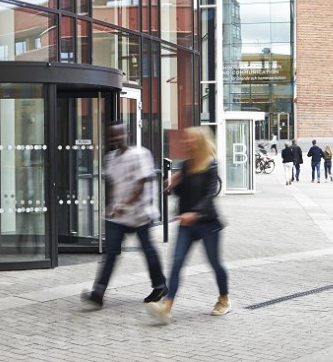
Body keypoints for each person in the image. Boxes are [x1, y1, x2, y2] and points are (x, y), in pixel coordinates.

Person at [147, 126, 229, 323]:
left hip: (208, 223)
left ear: (199, 142)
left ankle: (224, 299)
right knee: (176, 262)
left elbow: (210, 195)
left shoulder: (211, 166)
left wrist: (195, 213)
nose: (185, 142)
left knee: (215, 263)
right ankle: (167, 306)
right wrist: (172, 184)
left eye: (189, 139)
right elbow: (181, 194)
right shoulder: (186, 165)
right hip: (186, 224)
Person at [82, 123, 166, 307]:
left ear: (126, 133)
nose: (115, 139)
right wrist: (113, 206)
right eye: (112, 135)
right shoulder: (110, 159)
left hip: (139, 213)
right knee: (111, 252)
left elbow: (141, 184)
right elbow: (113, 184)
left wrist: (124, 204)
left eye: (118, 134)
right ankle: (98, 292)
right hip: (117, 216)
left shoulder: (140, 154)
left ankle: (160, 286)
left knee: (148, 250)